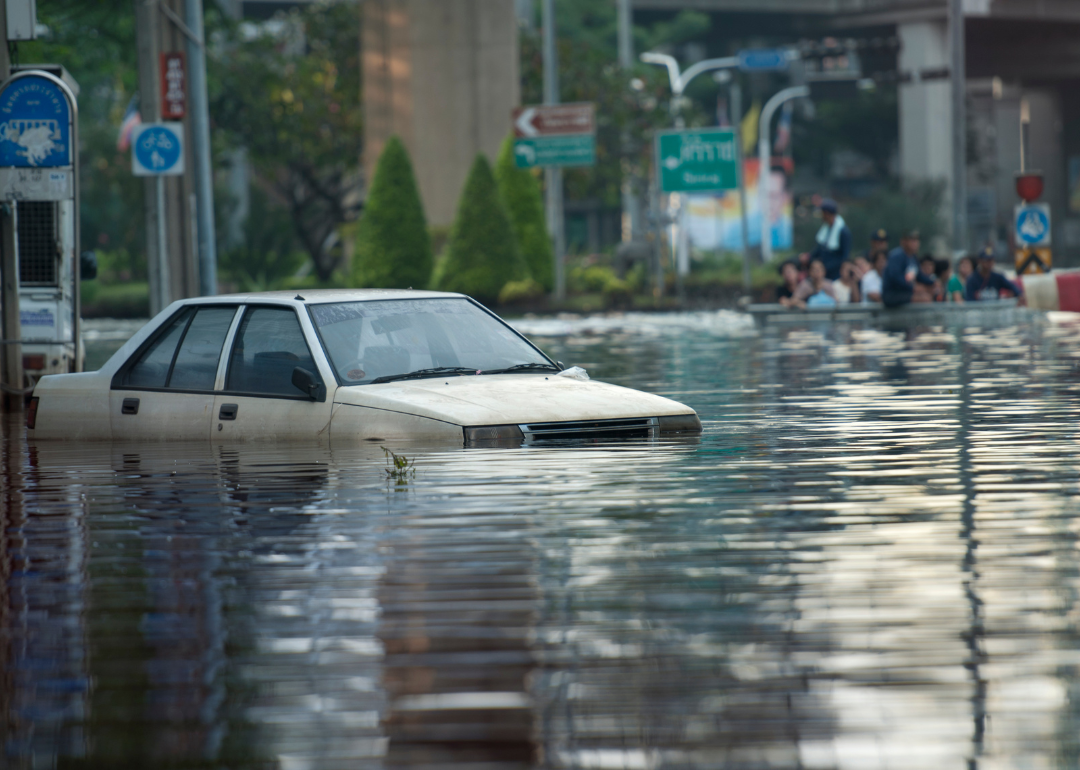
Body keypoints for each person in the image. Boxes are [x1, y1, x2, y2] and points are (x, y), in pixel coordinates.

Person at [882, 230, 936, 307]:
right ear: (904, 242)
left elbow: (920, 276)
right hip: (893, 294)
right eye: (912, 240)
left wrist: (933, 282)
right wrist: (913, 287)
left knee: (928, 295)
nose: (915, 243)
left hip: (906, 292)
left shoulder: (913, 257)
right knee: (924, 299)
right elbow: (895, 277)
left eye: (917, 240)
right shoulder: (896, 256)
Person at [810, 198, 851, 281]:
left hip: (835, 274)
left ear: (827, 214)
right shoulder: (826, 228)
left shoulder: (843, 231)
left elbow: (845, 256)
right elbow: (820, 248)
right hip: (822, 272)